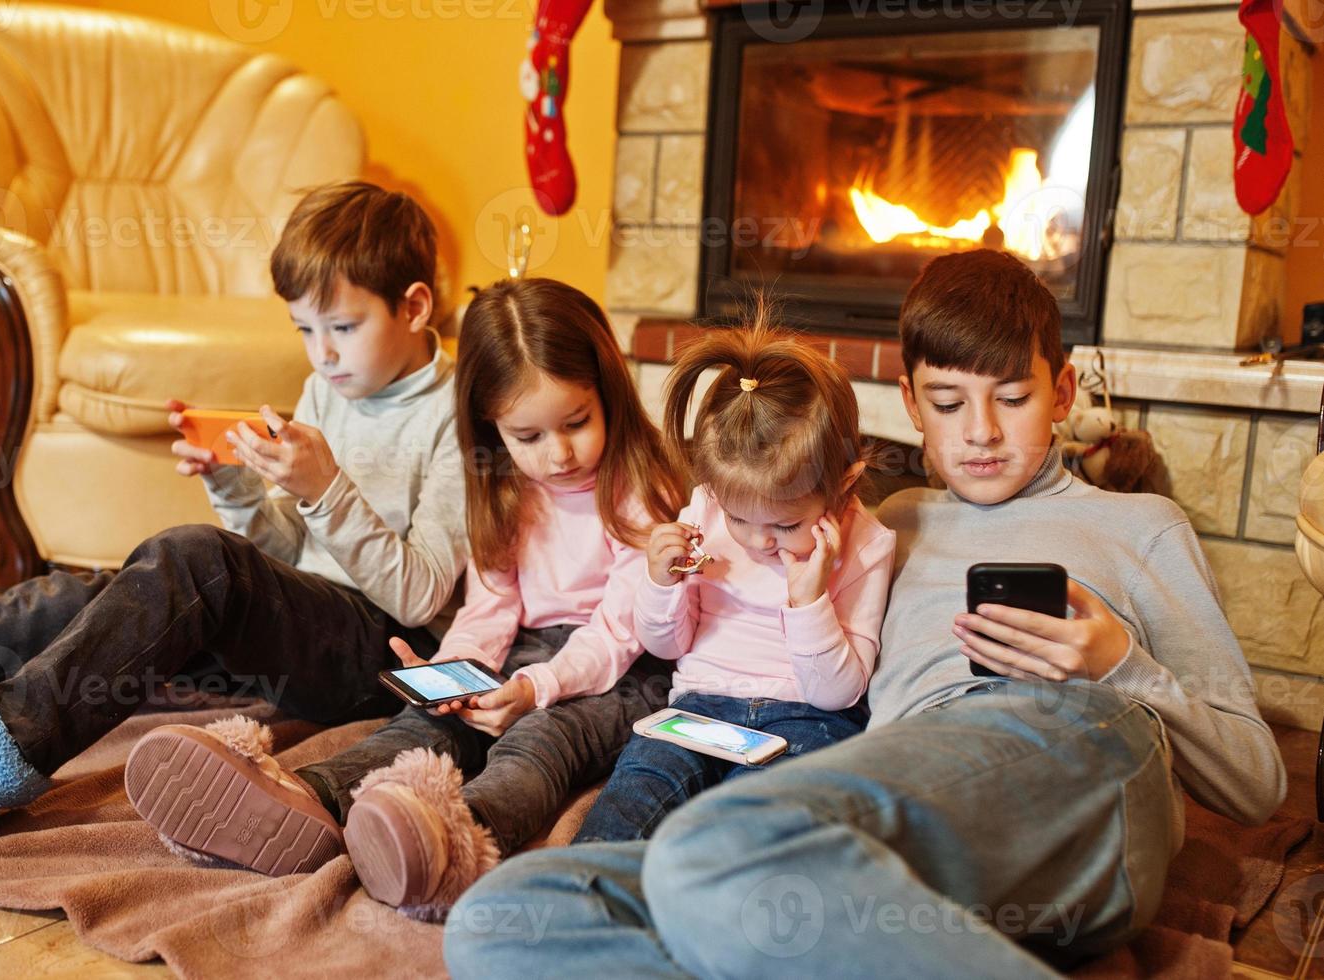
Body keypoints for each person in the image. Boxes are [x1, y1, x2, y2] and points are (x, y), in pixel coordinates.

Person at [443, 249, 1287, 978]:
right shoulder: (886, 519)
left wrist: (1116, 664)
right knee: (509, 917)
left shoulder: (1138, 525)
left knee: (715, 847)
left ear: (1062, 391)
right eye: (948, 404)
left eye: (1012, 398)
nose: (981, 433)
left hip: (1073, 743)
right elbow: (755, 505)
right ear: (911, 409)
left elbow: (1255, 780)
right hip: (890, 789)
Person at [0, 181, 469, 874]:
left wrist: (326, 488)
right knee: (90, 597)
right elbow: (289, 550)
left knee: (193, 561)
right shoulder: (331, 387)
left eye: (342, 328)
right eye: (303, 329)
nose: (320, 353)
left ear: (414, 307)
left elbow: (419, 598)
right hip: (306, 618)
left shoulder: (460, 412)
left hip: (389, 653)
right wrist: (233, 482)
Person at [124, 278, 683, 918]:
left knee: (537, 743)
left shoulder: (641, 488)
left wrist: (534, 688)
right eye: (526, 437)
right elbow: (492, 605)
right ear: (491, 427)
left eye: (576, 424)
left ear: (609, 392)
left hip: (622, 670)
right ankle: (302, 796)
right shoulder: (503, 487)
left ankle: (448, 842)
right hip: (532, 649)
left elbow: (618, 629)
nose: (556, 454)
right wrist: (454, 672)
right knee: (429, 723)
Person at [570, 318, 895, 844]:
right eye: (739, 518)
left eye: (785, 525)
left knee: (743, 828)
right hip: (699, 703)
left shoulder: (867, 544)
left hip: (807, 719)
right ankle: (583, 899)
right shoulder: (705, 511)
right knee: (633, 795)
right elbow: (666, 643)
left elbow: (840, 692)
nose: (757, 542)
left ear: (843, 483)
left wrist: (808, 600)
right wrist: (659, 584)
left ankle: (699, 906)